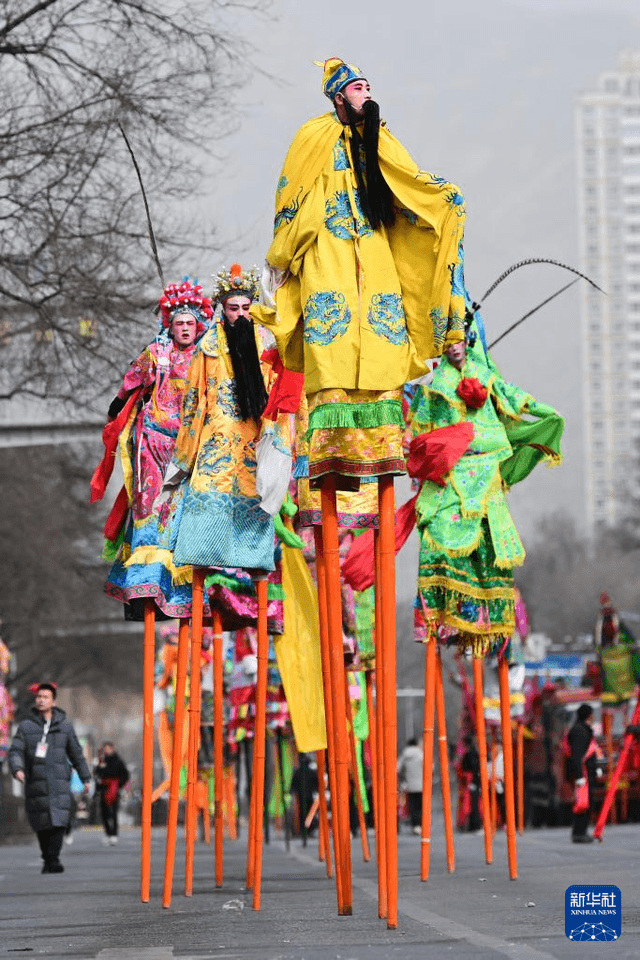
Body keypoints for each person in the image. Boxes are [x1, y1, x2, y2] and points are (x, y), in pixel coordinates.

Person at [253, 57, 467, 488]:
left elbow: (410, 183)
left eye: (368, 87)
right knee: (330, 341)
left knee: (381, 336)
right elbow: (290, 197)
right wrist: (284, 254)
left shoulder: (380, 138)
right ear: (338, 97)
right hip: (325, 252)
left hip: (374, 251)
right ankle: (332, 448)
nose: (366, 93)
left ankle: (382, 445)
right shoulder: (312, 137)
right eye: (357, 88)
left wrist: (444, 199)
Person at [411, 334, 564, 655]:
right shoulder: (435, 383)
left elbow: (513, 396)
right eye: (448, 342)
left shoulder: (485, 375)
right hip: (450, 475)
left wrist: (547, 412)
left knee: (490, 550)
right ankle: (445, 618)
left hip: (485, 475)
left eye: (459, 341)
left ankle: (483, 623)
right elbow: (418, 425)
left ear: (466, 343)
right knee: (437, 541)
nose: (454, 348)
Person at [159, 264, 295, 571]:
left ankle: (256, 569)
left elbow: (279, 398)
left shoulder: (268, 345)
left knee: (256, 505)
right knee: (205, 514)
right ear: (223, 309)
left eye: (247, 307)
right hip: (215, 442)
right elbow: (193, 405)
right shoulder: (206, 349)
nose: (241, 314)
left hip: (255, 440)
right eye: (233, 308)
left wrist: (279, 446)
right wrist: (184, 457)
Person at [94, 279, 214, 619]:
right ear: (170, 326)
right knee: (149, 506)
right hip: (155, 440)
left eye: (191, 324)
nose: (186, 329)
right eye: (179, 324)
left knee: (183, 509)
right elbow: (133, 379)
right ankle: (145, 577)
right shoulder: (157, 353)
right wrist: (117, 405)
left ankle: (184, 577)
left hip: (189, 447)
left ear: (198, 325)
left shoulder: (207, 355)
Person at [8, 683, 90, 873]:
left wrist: (86, 777)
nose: (41, 700)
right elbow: (16, 751)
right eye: (38, 697)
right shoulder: (26, 727)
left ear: (53, 701)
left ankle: (53, 858)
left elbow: (76, 754)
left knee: (59, 822)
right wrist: (17, 769)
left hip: (59, 782)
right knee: (41, 824)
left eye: (45, 697)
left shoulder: (65, 727)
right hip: (35, 784)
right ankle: (48, 857)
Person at [568, 703, 602, 844]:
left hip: (587, 772)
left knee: (586, 803)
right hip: (583, 773)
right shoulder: (580, 730)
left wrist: (597, 767)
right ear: (589, 715)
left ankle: (580, 832)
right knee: (583, 804)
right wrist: (580, 776)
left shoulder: (582, 729)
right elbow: (577, 755)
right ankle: (579, 833)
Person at [94, 741, 129, 845]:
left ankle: (114, 834)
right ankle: (108, 833)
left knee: (113, 813)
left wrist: (119, 785)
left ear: (112, 749)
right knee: (104, 813)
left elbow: (125, 775)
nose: (106, 750)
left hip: (114, 790)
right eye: (105, 749)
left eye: (108, 748)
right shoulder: (101, 761)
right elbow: (97, 774)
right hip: (103, 789)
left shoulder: (118, 761)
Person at [397, 737, 424, 834]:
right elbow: (430, 767)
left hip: (410, 784)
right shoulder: (421, 754)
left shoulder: (405, 755)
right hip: (421, 784)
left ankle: (414, 826)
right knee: (421, 806)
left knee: (412, 806)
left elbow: (397, 768)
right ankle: (420, 825)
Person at [460, 735, 481, 833]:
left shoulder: (468, 754)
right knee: (474, 805)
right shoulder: (473, 754)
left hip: (470, 782)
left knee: (472, 805)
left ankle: (472, 826)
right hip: (473, 782)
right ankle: (474, 826)